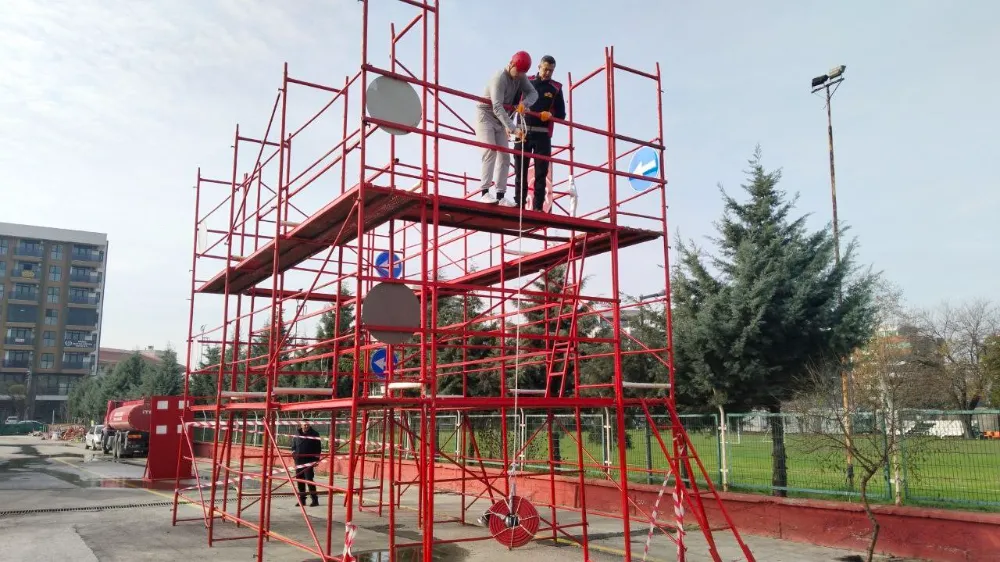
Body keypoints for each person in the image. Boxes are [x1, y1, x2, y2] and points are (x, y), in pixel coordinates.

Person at [476, 51, 538, 206]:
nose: (518, 76)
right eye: (518, 72)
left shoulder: (521, 77)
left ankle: (500, 195)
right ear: (511, 64)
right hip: (487, 116)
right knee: (490, 150)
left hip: (502, 120)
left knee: (505, 156)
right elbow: (497, 106)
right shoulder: (499, 78)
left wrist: (525, 104)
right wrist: (513, 128)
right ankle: (484, 192)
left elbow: (533, 93)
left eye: (522, 73)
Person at [512, 55, 566, 212]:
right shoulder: (525, 81)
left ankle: (537, 207)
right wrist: (513, 117)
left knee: (541, 173)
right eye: (545, 69)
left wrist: (551, 115)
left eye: (551, 70)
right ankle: (519, 204)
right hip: (522, 132)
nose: (548, 73)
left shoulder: (556, 88)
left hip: (542, 135)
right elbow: (513, 103)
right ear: (539, 67)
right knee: (520, 171)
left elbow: (561, 114)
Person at [290, 419, 321, 507]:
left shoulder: (315, 434)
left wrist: (316, 459)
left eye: (307, 425)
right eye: (304, 425)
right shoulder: (297, 433)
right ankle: (302, 500)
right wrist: (293, 453)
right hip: (298, 460)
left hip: (309, 461)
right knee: (299, 480)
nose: (306, 426)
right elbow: (293, 445)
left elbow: (318, 448)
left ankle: (315, 500)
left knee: (309, 480)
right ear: (301, 425)